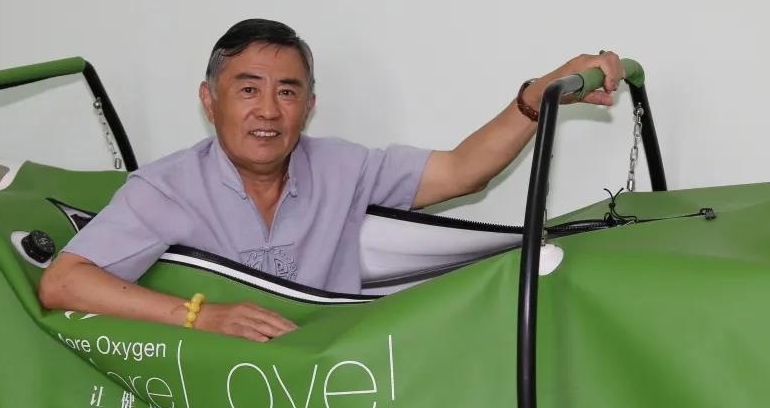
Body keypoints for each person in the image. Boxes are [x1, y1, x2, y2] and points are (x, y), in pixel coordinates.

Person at [38, 18, 624, 342]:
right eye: (248, 89)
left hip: (338, 383)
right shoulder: (165, 187)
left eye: (287, 92)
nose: (268, 111)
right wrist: (201, 316)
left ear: (309, 106)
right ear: (209, 101)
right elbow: (63, 283)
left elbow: (461, 171)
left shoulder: (343, 167)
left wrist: (538, 95)